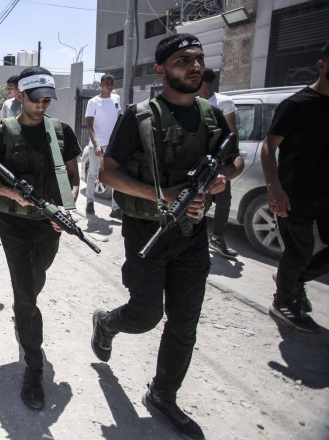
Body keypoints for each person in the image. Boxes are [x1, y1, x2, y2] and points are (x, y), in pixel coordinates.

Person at [92, 34, 244, 440]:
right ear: (161, 71)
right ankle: (107, 323)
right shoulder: (140, 116)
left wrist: (219, 181)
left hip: (192, 234)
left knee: (185, 321)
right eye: (182, 60)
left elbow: (235, 160)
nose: (194, 66)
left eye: (198, 59)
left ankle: (163, 395)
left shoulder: (212, 115)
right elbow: (108, 173)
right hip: (148, 230)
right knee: (145, 316)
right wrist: (163, 194)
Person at [0, 66, 80, 410]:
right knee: (26, 296)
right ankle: (34, 368)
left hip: (48, 226)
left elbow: (72, 178)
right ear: (20, 96)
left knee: (36, 281)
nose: (42, 106)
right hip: (15, 225)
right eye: (36, 99)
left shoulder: (63, 132)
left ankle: (24, 311)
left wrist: (67, 210)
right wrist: (13, 194)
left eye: (47, 99)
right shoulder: (3, 133)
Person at [261, 42, 329, 333]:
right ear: (322, 65)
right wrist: (274, 188)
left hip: (326, 194)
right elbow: (268, 147)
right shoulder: (297, 104)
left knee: (305, 257)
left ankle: (294, 279)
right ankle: (284, 301)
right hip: (293, 194)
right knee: (298, 251)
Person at [197, 69, 239, 258]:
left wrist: (230, 159)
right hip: (198, 162)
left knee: (223, 201)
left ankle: (216, 238)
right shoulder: (193, 103)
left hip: (219, 161)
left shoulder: (223, 102)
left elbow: (232, 133)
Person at [84, 73, 122, 218]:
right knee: (93, 175)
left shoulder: (116, 99)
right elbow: (89, 126)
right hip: (98, 145)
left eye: (111, 83)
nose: (109, 86)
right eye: (106, 83)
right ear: (101, 85)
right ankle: (89, 203)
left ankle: (115, 209)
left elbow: (118, 120)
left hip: (113, 145)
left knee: (114, 176)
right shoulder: (93, 102)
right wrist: (96, 144)